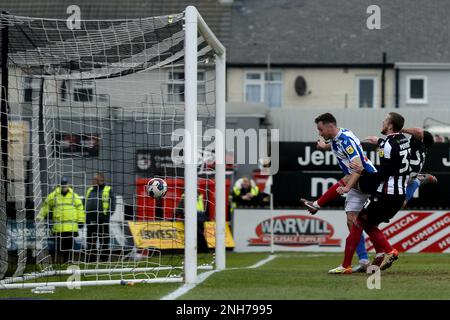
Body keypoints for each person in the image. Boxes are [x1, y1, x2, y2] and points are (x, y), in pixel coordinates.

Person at [328, 112, 410, 274]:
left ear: (390, 125)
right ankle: (380, 253)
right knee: (368, 224)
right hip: (400, 194)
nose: (382, 121)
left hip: (387, 194)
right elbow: (393, 151)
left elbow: (382, 174)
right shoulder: (403, 140)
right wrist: (379, 140)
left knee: (358, 222)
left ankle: (350, 264)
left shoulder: (386, 146)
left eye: (385, 120)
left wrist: (363, 171)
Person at [300, 113, 376, 272]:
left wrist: (348, 187)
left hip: (367, 180)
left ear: (330, 126)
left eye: (320, 129)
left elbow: (358, 166)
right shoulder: (339, 136)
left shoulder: (346, 140)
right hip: (358, 180)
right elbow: (335, 145)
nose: (319, 133)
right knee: (352, 220)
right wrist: (323, 147)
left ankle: (385, 251)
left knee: (364, 221)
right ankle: (363, 261)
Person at [36, 177, 85, 264]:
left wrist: (81, 220)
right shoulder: (54, 195)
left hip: (71, 227)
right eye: (62, 186)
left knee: (69, 244)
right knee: (61, 245)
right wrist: (39, 217)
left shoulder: (74, 196)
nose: (64, 187)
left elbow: (80, 208)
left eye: (65, 186)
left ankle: (68, 260)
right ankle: (63, 260)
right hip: (59, 227)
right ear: (60, 186)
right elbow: (46, 206)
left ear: (68, 185)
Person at [85, 173, 116, 262]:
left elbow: (113, 204)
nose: (93, 181)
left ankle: (104, 259)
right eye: (93, 179)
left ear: (101, 180)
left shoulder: (108, 189)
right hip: (91, 220)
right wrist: (86, 217)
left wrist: (107, 216)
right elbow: (86, 203)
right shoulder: (89, 190)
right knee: (90, 241)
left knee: (104, 241)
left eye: (95, 179)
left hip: (103, 220)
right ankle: (91, 259)